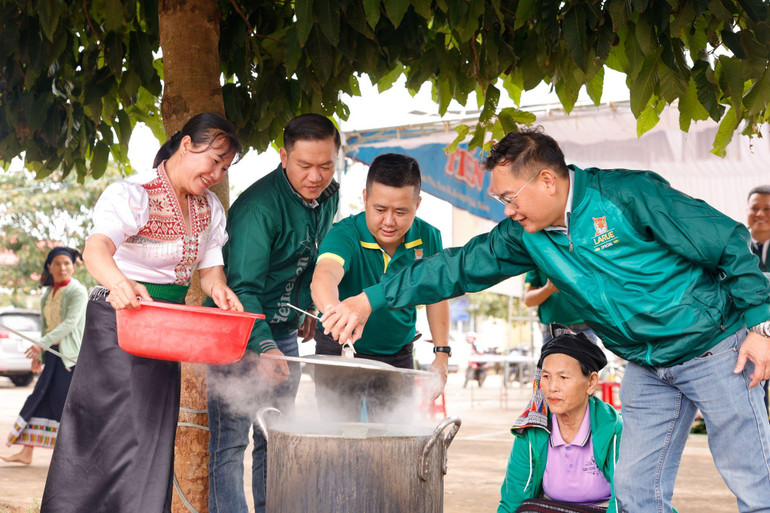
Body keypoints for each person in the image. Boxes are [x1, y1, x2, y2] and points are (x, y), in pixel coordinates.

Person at [321, 127, 770, 512]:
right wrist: (369, 300)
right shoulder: (525, 235)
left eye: (510, 198)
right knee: (634, 489)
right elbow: (455, 267)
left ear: (548, 181)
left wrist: (760, 324)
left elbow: (726, 240)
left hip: (715, 347)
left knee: (753, 480)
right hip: (647, 363)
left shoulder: (627, 195)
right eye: (500, 200)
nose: (507, 211)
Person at [40, 112, 244, 513]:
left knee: (151, 438)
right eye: (214, 161)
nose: (217, 174)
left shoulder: (210, 208)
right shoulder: (134, 193)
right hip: (117, 322)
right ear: (187, 145)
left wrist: (219, 289)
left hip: (165, 330)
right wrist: (118, 283)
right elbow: (97, 249)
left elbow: (210, 272)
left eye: (225, 168)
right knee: (104, 436)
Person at [206, 113, 340, 513]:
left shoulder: (329, 194)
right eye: (305, 165)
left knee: (277, 437)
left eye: (326, 165)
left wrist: (308, 306)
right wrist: (264, 347)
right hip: (237, 332)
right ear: (283, 157)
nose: (316, 177)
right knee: (230, 444)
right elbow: (243, 288)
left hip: (283, 333)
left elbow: (314, 254)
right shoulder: (258, 208)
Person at [310, 153, 450, 421]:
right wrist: (334, 313)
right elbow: (324, 276)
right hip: (339, 351)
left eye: (401, 212)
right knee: (337, 435)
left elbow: (437, 296)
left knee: (393, 434)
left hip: (397, 355)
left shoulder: (429, 237)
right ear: (365, 198)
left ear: (417, 204)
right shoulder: (345, 233)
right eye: (380, 209)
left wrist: (442, 355)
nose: (389, 221)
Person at [499, 328, 622, 513]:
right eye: (546, 377)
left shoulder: (615, 430)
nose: (552, 387)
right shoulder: (531, 431)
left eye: (563, 377)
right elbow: (512, 501)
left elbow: (624, 501)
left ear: (591, 383)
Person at [1, 247, 87, 465]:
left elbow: (70, 324)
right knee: (39, 397)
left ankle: (77, 457)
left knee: (65, 404)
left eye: (67, 263)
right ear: (49, 266)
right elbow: (46, 327)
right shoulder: (48, 293)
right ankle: (26, 452)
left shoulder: (77, 291)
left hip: (70, 358)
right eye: (57, 263)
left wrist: (41, 345)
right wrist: (39, 354)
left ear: (73, 267)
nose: (62, 268)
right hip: (53, 356)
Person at [524, 268, 598, 344]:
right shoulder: (538, 261)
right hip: (552, 331)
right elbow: (528, 301)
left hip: (586, 327)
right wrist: (548, 289)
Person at [747, 185, 770, 413]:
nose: (760, 214)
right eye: (755, 208)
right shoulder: (733, 245)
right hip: (744, 335)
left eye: (768, 209)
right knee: (754, 397)